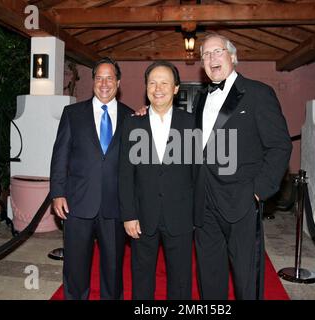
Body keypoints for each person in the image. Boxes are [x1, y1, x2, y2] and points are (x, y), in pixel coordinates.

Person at [193, 34, 292, 300]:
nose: (212, 58)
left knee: (247, 278)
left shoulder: (258, 93)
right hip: (204, 202)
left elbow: (280, 146)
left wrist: (258, 192)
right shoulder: (201, 98)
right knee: (209, 273)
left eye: (218, 51)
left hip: (241, 201)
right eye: (206, 54)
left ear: (233, 56)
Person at [50, 57, 132, 300]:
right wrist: (57, 193)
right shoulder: (72, 113)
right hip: (77, 203)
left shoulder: (133, 117)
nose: (104, 83)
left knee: (113, 269)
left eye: (109, 78)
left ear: (118, 82)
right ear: (93, 81)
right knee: (75, 267)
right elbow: (59, 156)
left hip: (116, 205)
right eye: (99, 78)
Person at [118, 61, 195, 300]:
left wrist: (197, 214)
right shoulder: (132, 123)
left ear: (175, 88)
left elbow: (199, 172)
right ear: (146, 88)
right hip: (142, 216)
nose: (158, 88)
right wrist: (129, 214)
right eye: (152, 82)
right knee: (141, 277)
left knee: (181, 279)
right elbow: (125, 173)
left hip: (181, 216)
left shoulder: (192, 123)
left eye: (164, 82)